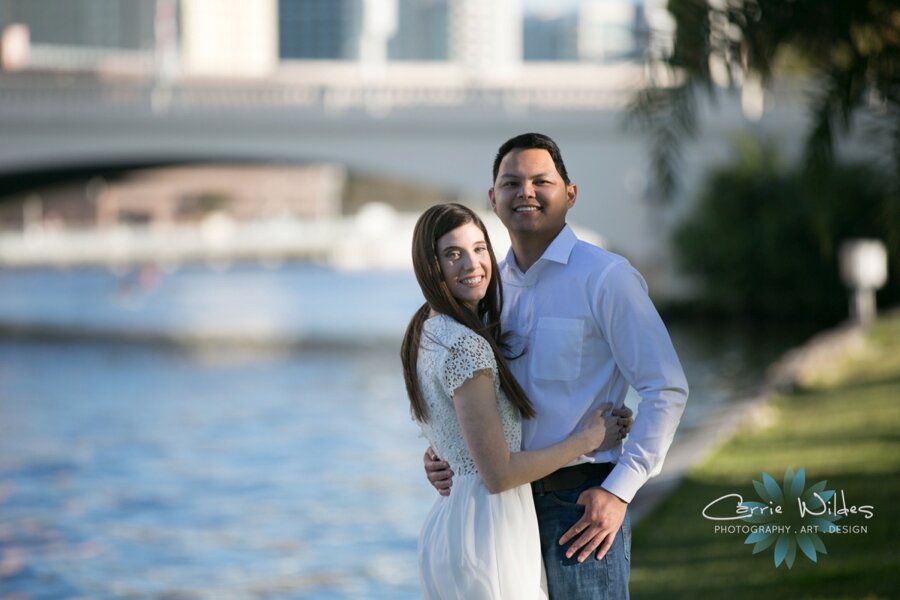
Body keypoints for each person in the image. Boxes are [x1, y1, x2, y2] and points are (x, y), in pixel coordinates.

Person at [424, 133, 689, 599]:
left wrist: (620, 491)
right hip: (502, 509)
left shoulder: (606, 278)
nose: (525, 191)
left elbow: (665, 388)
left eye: (540, 181)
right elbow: (464, 390)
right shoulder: (487, 288)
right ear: (493, 198)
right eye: (511, 183)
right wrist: (443, 452)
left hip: (581, 504)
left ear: (570, 194)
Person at [401, 203, 633, 599]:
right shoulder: (466, 347)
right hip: (489, 530)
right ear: (430, 266)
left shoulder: (426, 330)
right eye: (453, 254)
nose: (472, 264)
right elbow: (499, 473)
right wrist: (589, 438)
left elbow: (450, 426)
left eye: (479, 248)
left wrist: (442, 453)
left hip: (455, 524)